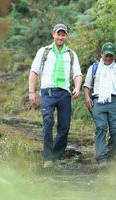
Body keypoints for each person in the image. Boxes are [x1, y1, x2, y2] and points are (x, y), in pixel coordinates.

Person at [28, 23, 82, 168]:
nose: (60, 36)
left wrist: (77, 87)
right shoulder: (44, 51)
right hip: (48, 92)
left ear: (66, 36)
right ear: (53, 34)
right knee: (48, 122)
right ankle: (48, 158)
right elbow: (34, 72)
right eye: (58, 34)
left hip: (64, 94)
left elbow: (77, 73)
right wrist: (32, 92)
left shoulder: (71, 54)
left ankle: (56, 156)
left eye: (63, 34)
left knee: (64, 126)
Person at [84, 42, 116, 167]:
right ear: (101, 54)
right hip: (98, 101)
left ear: (115, 55)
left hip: (115, 102)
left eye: (111, 56)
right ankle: (101, 158)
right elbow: (87, 86)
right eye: (106, 56)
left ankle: (109, 153)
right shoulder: (94, 68)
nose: (108, 58)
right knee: (101, 127)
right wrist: (88, 98)